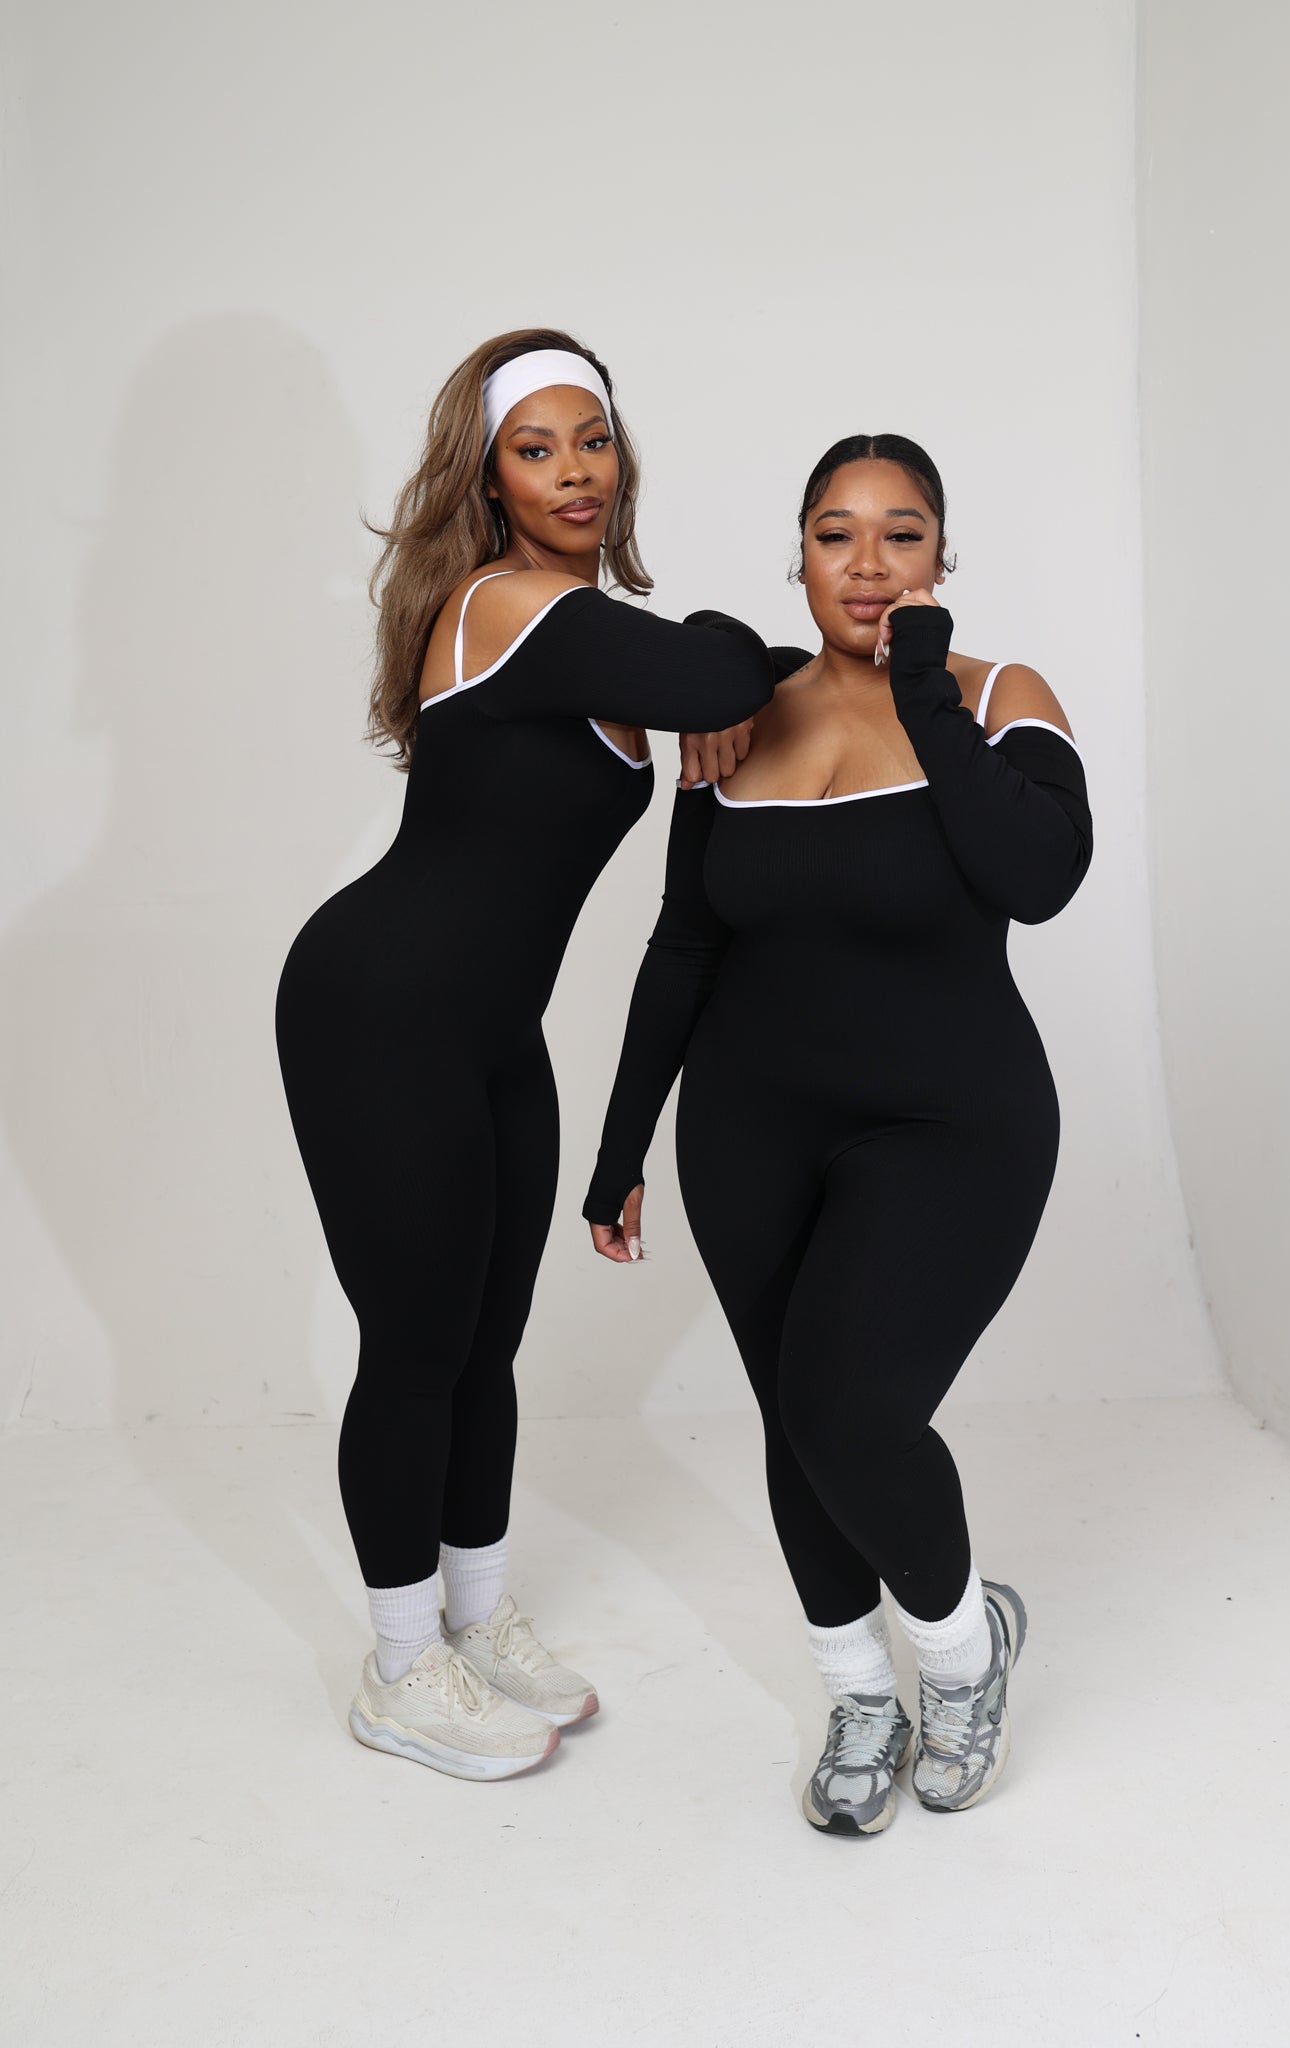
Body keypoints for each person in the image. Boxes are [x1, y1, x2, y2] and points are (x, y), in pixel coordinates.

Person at [276, 330, 773, 1780]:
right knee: (417, 1342)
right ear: (487, 477)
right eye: (535, 448)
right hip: (378, 1011)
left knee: (487, 1343)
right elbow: (721, 666)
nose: (572, 472)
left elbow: (709, 676)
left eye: (593, 441)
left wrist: (720, 684)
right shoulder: (512, 604)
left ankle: (474, 1619)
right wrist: (724, 682)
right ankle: (398, 1668)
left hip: (491, 1032)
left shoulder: (586, 621)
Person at [585, 433, 1093, 1834]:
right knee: (794, 1420)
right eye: (834, 534)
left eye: (900, 534)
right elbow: (685, 943)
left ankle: (962, 1655)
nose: (867, 565)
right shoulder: (738, 720)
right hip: (749, 1129)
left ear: (942, 556)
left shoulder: (998, 695)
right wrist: (621, 1145)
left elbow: (1037, 877)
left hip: (952, 1123)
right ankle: (859, 1690)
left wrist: (923, 685)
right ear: (799, 555)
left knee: (848, 1409)